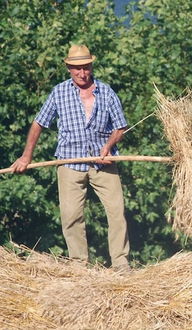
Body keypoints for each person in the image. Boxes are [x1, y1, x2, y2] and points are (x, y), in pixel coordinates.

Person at [10, 44, 130, 270]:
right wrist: (26, 157)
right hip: (69, 162)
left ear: (91, 66)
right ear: (68, 68)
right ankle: (78, 265)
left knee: (116, 212)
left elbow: (120, 127)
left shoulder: (106, 91)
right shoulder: (59, 92)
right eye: (77, 69)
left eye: (86, 68)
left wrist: (108, 146)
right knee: (71, 216)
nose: (82, 73)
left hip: (103, 163)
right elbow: (38, 123)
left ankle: (121, 264)